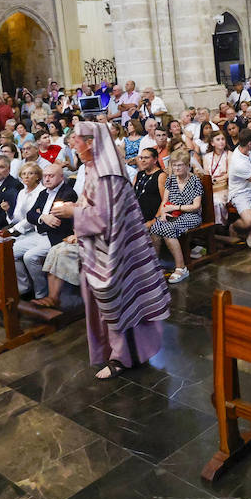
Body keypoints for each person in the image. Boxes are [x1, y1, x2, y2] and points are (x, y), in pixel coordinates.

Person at [66, 121, 171, 379]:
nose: (72, 144)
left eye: (77, 139)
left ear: (91, 143)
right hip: (100, 249)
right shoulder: (92, 169)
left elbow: (103, 218)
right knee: (107, 304)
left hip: (115, 252)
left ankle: (123, 356)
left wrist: (71, 212)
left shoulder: (107, 175)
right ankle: (113, 351)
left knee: (120, 301)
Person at [13, 159, 78, 302]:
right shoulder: (44, 193)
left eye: (51, 176)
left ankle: (41, 294)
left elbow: (57, 224)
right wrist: (43, 217)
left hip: (55, 237)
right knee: (10, 251)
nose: (47, 179)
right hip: (39, 234)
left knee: (30, 257)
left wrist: (41, 219)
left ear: (61, 177)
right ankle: (24, 287)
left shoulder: (68, 194)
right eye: (45, 176)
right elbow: (30, 215)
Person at [150, 150, 204, 284]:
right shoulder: (171, 179)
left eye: (180, 165)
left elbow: (196, 206)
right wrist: (163, 213)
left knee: (168, 230)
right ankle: (157, 266)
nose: (176, 168)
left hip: (190, 215)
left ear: (187, 165)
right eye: (174, 165)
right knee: (155, 227)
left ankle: (181, 268)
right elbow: (165, 201)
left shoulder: (195, 181)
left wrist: (176, 207)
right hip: (172, 215)